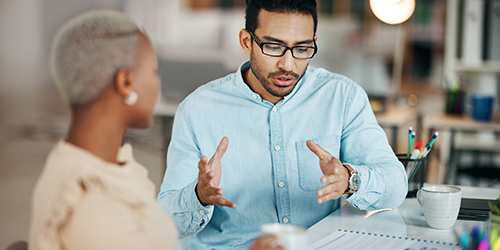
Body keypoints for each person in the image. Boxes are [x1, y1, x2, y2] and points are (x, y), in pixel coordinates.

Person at [158, 0, 408, 249]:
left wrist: (349, 179)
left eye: (301, 49)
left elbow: (396, 185)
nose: (288, 65)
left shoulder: (343, 97)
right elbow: (164, 220)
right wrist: (198, 196)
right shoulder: (197, 110)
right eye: (274, 47)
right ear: (246, 41)